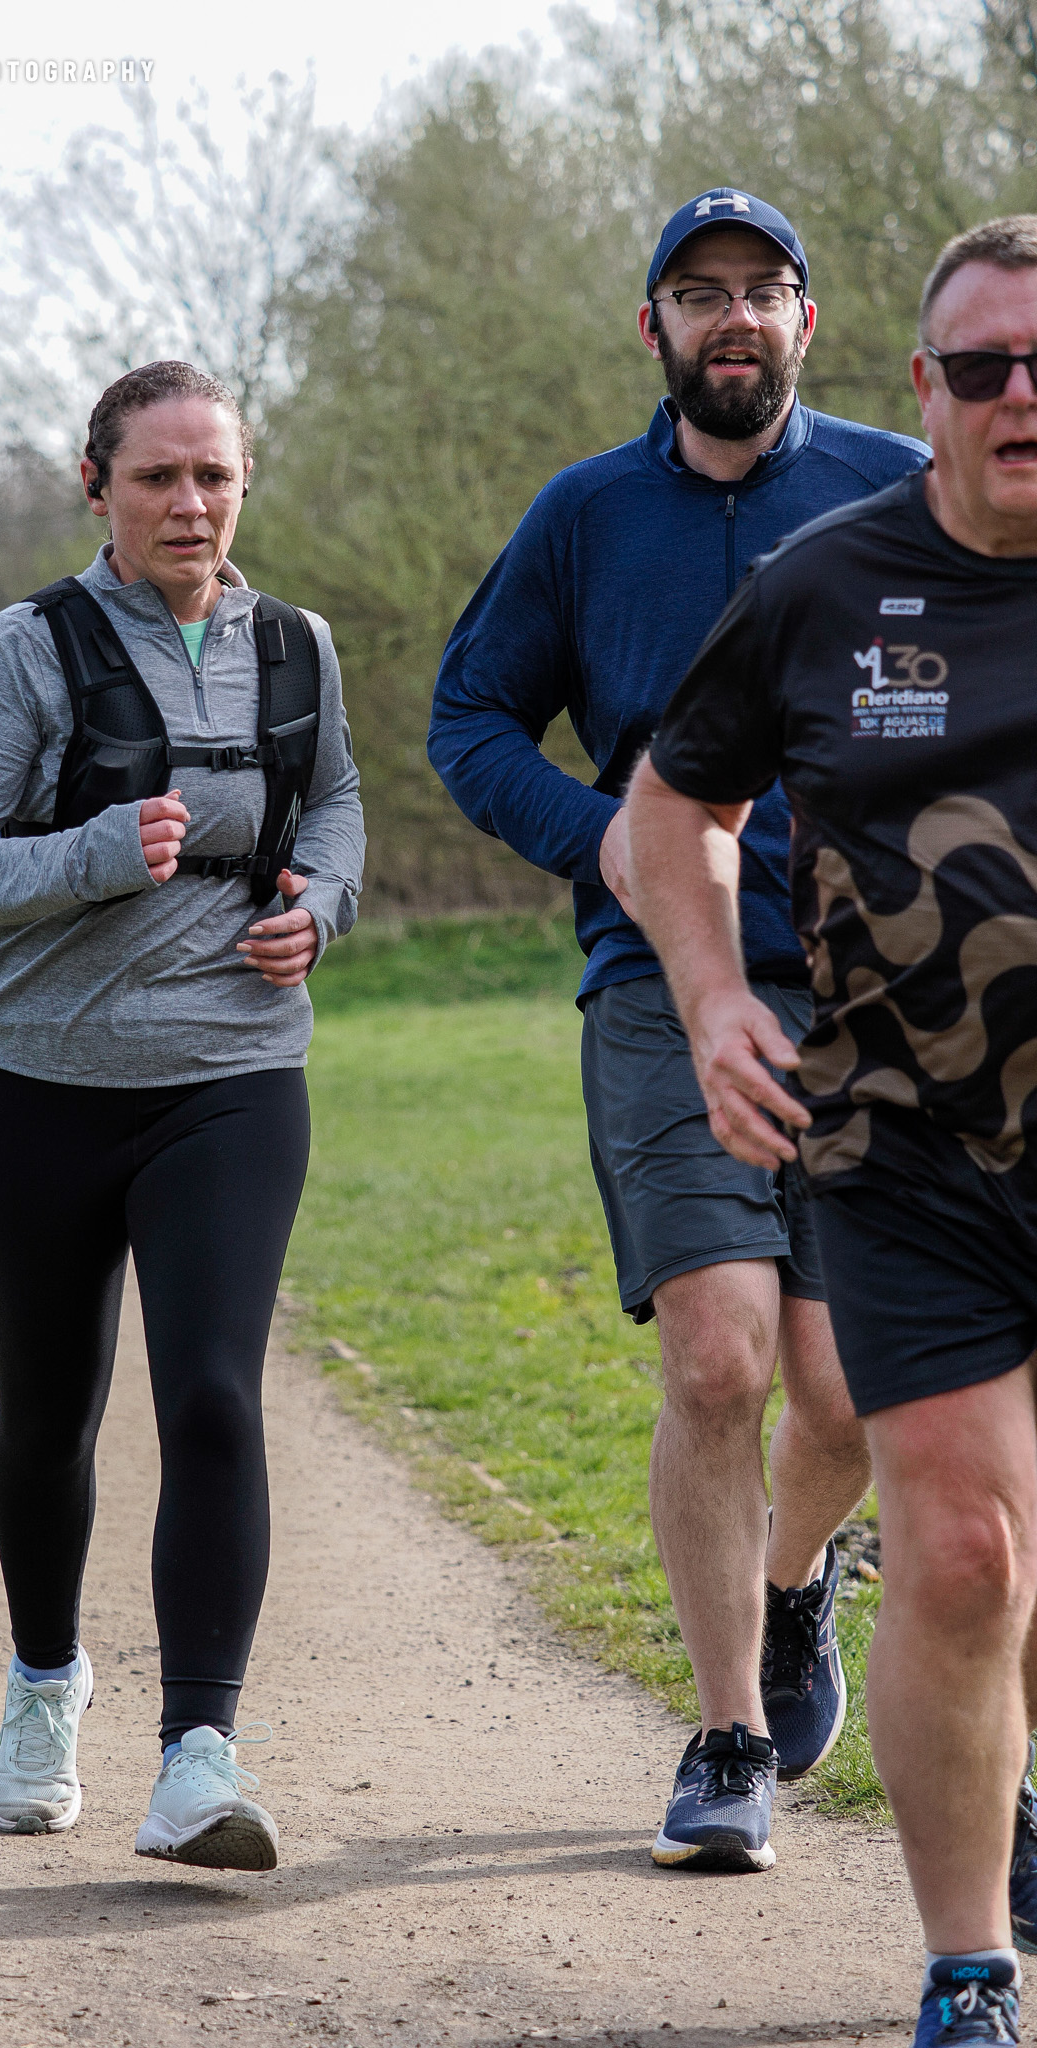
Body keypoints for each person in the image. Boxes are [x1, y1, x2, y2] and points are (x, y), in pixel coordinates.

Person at [428, 188, 930, 1872]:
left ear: (808, 322)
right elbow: (470, 713)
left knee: (844, 1392)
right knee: (718, 1356)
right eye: (699, 292)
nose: (733, 317)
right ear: (652, 326)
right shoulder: (584, 518)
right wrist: (607, 846)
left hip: (877, 992)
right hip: (660, 982)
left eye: (762, 290)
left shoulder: (894, 491)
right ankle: (726, 1738)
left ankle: (793, 1586)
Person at [627, 214, 1037, 2046]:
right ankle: (969, 1969)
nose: (1020, 395)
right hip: (905, 1149)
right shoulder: (824, 585)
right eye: (984, 366)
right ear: (923, 387)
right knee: (965, 1552)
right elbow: (668, 816)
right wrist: (716, 996)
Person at [0, 359, 364, 1869]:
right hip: (40, 1082)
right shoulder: (30, 646)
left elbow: (336, 802)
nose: (189, 503)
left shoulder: (294, 644)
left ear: (245, 483)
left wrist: (322, 902)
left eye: (213, 474)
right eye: (157, 475)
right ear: (96, 485)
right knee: (49, 1411)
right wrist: (97, 849)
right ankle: (46, 1683)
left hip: (232, 1076)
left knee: (215, 1394)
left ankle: (197, 1759)